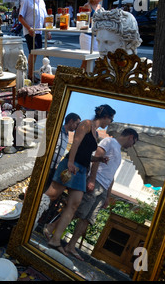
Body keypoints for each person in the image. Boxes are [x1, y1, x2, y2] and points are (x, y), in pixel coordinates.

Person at [44, 104, 116, 254]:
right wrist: (70, 162)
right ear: (105, 116)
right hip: (71, 165)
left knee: (74, 204)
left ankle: (55, 239)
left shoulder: (96, 134)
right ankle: (28, 218)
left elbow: (86, 155)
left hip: (82, 170)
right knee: (52, 195)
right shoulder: (86, 124)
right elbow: (75, 143)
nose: (110, 122)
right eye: (111, 119)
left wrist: (99, 160)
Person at [63, 128, 139, 260]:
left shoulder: (120, 154)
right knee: (78, 211)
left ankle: (71, 245)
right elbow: (97, 159)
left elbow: (112, 176)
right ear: (131, 137)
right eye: (134, 142)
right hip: (96, 181)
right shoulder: (109, 141)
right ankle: (52, 227)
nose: (132, 145)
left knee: (88, 219)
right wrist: (91, 179)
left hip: (104, 188)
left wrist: (108, 196)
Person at [19, 0, 52, 81]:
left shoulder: (41, 1)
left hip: (39, 31)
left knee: (37, 52)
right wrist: (29, 28)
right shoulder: (26, 0)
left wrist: (48, 31)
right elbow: (20, 17)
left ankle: (36, 73)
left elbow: (45, 17)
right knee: (33, 52)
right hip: (30, 31)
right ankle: (30, 75)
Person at [45, 113, 81, 189]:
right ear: (71, 121)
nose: (77, 127)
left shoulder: (67, 136)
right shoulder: (57, 131)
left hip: (52, 169)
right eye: (76, 124)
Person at [79, 0, 104, 69]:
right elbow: (83, 21)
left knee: (98, 60)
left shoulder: (100, 7)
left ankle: (92, 79)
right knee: (86, 60)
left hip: (97, 36)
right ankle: (80, 79)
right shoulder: (87, 5)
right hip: (87, 36)